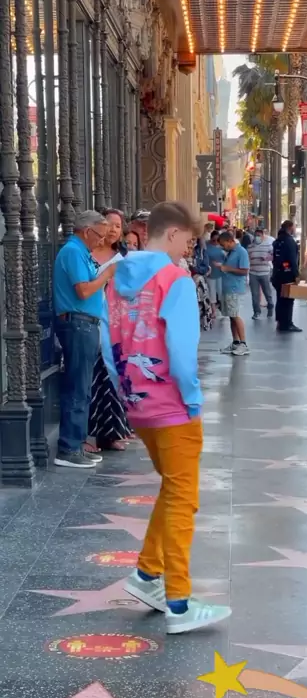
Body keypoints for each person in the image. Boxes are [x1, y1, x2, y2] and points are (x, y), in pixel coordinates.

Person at [101, 200, 232, 635]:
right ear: (173, 233)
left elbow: (107, 343)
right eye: (188, 241)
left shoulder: (116, 277)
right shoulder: (175, 280)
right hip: (173, 406)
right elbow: (180, 350)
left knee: (172, 489)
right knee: (182, 499)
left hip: (137, 402)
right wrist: (192, 398)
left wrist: (125, 391)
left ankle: (146, 573)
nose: (188, 250)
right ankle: (179, 601)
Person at [53, 210, 112, 468]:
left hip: (85, 324)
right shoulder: (73, 252)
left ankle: (76, 443)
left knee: (82, 386)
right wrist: (106, 275)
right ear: (87, 231)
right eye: (99, 235)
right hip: (78, 323)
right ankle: (68, 448)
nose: (102, 241)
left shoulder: (81, 252)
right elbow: (83, 290)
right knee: (78, 387)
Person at [87, 208, 132, 452]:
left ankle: (111, 433)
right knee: (92, 377)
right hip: (90, 318)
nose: (114, 229)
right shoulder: (87, 253)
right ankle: (88, 435)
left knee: (112, 376)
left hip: (114, 321)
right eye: (110, 224)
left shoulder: (122, 258)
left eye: (118, 225)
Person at [216, 231, 250, 355]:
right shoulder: (230, 252)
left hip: (235, 288)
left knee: (235, 315)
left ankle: (243, 343)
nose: (222, 247)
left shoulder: (241, 252)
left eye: (223, 244)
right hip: (228, 287)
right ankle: (235, 342)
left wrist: (227, 268)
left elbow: (245, 271)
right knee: (231, 315)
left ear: (230, 241)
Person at [271, 220, 302, 333]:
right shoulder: (289, 241)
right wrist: (296, 274)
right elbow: (292, 259)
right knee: (288, 299)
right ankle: (287, 323)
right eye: (294, 227)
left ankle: (280, 321)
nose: (295, 229)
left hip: (277, 274)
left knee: (280, 299)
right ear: (290, 227)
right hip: (287, 274)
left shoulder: (278, 240)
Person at [247, 228, 274, 319]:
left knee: (267, 292)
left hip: (264, 273)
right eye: (256, 235)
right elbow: (247, 258)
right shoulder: (250, 247)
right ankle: (256, 312)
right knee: (255, 294)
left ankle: (270, 306)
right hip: (253, 273)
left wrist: (267, 258)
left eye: (259, 235)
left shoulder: (268, 245)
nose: (257, 237)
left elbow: (273, 256)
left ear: (263, 236)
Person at [206, 231, 224, 317]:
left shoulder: (222, 247)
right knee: (212, 292)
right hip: (210, 273)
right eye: (214, 240)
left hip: (221, 273)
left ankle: (222, 308)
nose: (216, 242)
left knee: (221, 292)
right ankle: (213, 311)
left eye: (218, 240)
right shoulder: (207, 246)